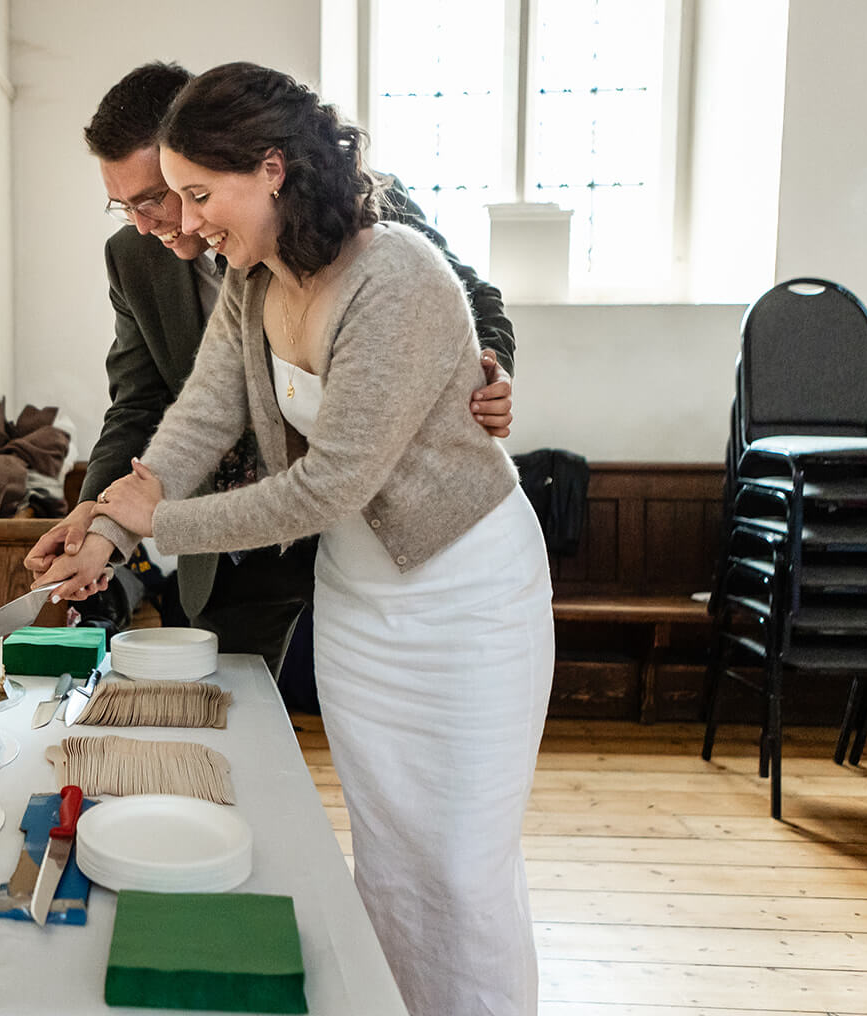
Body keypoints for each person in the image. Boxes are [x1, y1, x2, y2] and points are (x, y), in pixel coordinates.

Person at [63, 62, 555, 1016]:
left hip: (465, 598)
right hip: (357, 604)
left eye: (199, 196)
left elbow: (327, 483)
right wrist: (107, 525)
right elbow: (198, 413)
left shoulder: (397, 273)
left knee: (461, 869)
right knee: (387, 864)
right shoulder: (252, 279)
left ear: (273, 170)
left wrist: (156, 529)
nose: (189, 225)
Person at [25, 61, 516, 678]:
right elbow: (164, 407)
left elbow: (462, 300)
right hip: (233, 540)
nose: (154, 222)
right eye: (123, 208)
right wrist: (101, 521)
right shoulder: (183, 268)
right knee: (241, 726)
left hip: (399, 535)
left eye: (169, 196)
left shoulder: (368, 220)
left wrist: (485, 377)